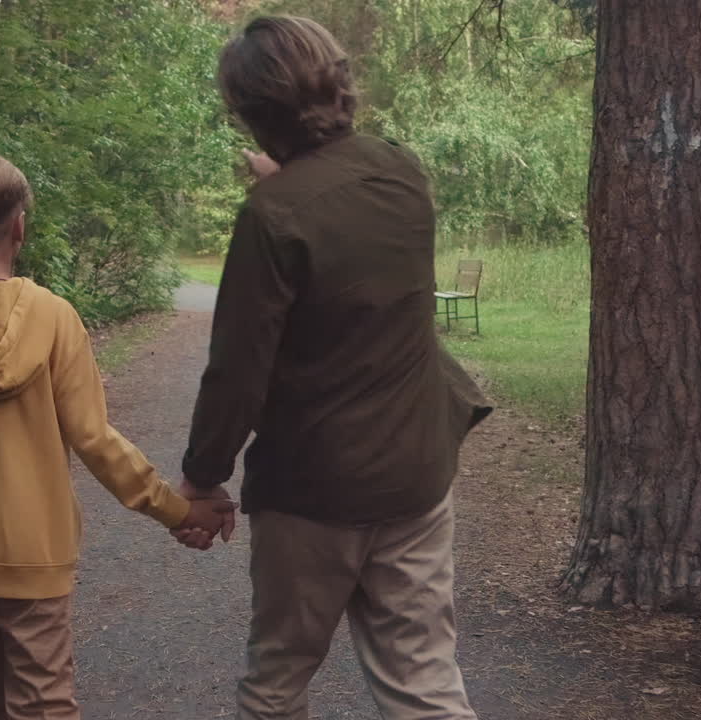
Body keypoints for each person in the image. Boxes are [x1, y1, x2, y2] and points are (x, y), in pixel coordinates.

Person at [174, 16, 492, 720]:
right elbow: (342, 228)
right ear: (338, 83)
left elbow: (237, 369)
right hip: (415, 471)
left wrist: (203, 477)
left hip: (312, 490)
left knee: (278, 681)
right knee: (425, 683)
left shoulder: (272, 214)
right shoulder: (404, 173)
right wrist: (287, 179)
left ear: (254, 114)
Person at [0, 153, 235, 719]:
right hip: (34, 551)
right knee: (45, 706)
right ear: (19, 227)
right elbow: (95, 439)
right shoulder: (54, 318)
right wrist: (177, 510)